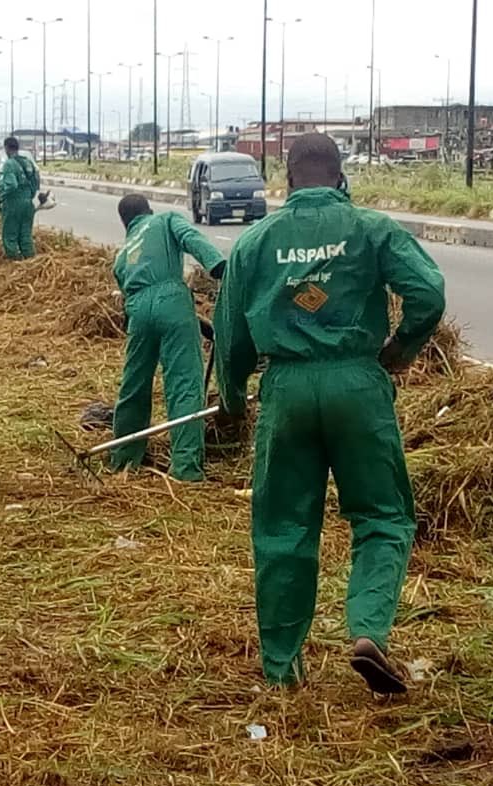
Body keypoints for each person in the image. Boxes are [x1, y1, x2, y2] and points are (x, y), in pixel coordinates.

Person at [214, 133, 446, 694]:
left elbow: (231, 333)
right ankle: (367, 630)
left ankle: (281, 669)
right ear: (340, 177)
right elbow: (429, 292)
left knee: (283, 528)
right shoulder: (371, 228)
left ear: (287, 179)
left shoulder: (256, 241)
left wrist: (232, 399)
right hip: (357, 385)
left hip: (287, 390)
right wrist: (400, 349)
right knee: (383, 517)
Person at [110, 194, 225, 482]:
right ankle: (186, 468)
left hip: (137, 312)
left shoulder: (122, 256)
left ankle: (124, 458)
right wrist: (219, 266)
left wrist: (199, 324)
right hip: (172, 301)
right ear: (149, 210)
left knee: (134, 384)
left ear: (126, 223)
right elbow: (191, 238)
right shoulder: (166, 219)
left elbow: (145, 301)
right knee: (184, 383)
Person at [0, 137, 40, 259]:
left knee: (9, 235)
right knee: (25, 235)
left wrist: (0, 197)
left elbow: (11, 185)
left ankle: (14, 262)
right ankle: (30, 261)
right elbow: (35, 183)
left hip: (13, 203)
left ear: (6, 148)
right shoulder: (27, 162)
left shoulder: (9, 164)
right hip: (28, 203)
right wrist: (29, 197)